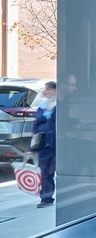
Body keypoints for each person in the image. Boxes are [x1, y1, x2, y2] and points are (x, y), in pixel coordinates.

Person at [29, 80, 57, 208]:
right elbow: (36, 128)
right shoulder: (42, 107)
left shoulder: (60, 106)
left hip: (56, 144)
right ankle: (46, 198)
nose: (47, 91)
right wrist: (31, 148)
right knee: (45, 172)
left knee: (54, 171)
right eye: (46, 89)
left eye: (50, 89)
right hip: (43, 145)